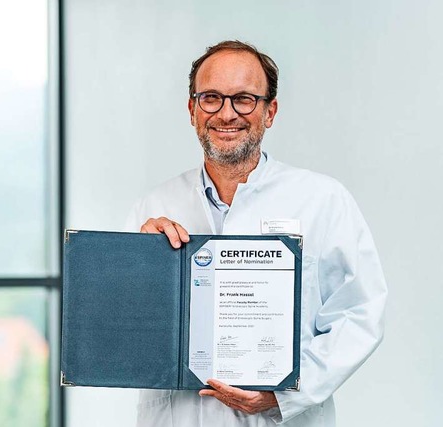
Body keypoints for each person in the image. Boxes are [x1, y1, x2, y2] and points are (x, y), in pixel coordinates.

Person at [125, 40, 387, 427]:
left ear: (270, 111)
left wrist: (284, 394)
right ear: (192, 110)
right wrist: (137, 264)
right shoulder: (152, 208)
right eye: (211, 98)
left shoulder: (322, 200)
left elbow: (360, 313)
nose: (226, 113)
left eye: (244, 99)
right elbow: (121, 329)